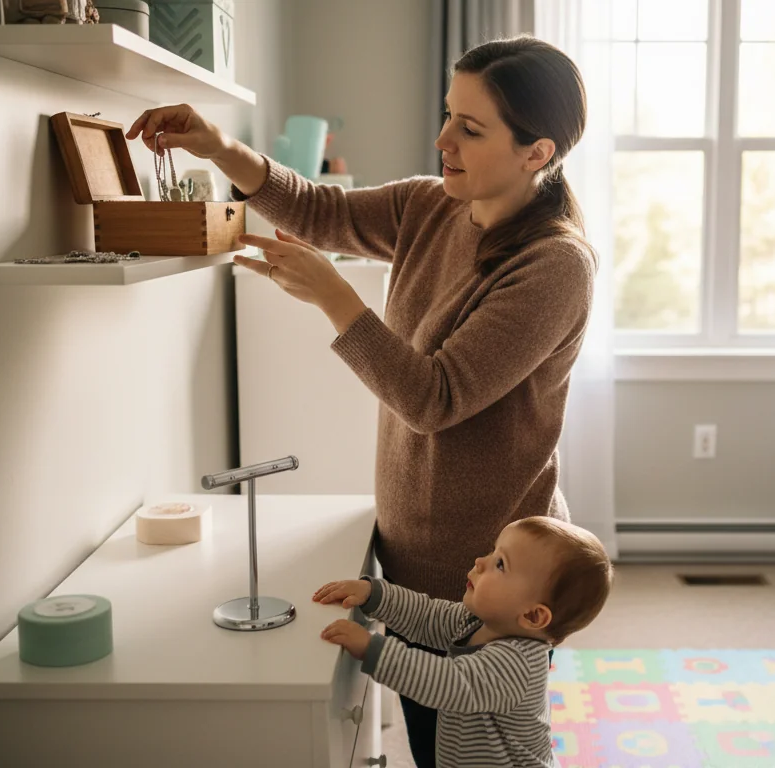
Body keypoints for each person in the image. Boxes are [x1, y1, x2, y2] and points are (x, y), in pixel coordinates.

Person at [127, 35, 594, 765]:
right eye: (448, 115)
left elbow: (434, 399)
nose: (443, 140)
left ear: (537, 152)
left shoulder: (554, 266)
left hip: (495, 567)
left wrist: (336, 299)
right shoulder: (431, 208)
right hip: (412, 547)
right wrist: (218, 146)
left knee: (478, 745)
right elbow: (318, 208)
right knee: (439, 744)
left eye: (471, 129)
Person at [314, 516, 613, 768]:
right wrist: (375, 596)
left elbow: (445, 681)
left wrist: (372, 649)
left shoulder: (517, 665)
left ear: (533, 615)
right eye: (492, 551)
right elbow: (428, 616)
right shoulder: (479, 621)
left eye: (500, 564)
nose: (480, 561)